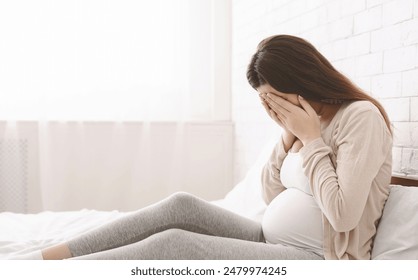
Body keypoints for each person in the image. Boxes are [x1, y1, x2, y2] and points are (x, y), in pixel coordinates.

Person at [19, 35, 392, 260]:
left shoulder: (360, 118)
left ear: (303, 82)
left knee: (174, 245)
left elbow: (343, 216)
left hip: (317, 258)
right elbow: (270, 193)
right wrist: (286, 135)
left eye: (275, 101)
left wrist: (311, 139)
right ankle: (45, 259)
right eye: (266, 105)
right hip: (269, 237)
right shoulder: (306, 122)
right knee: (181, 204)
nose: (274, 111)